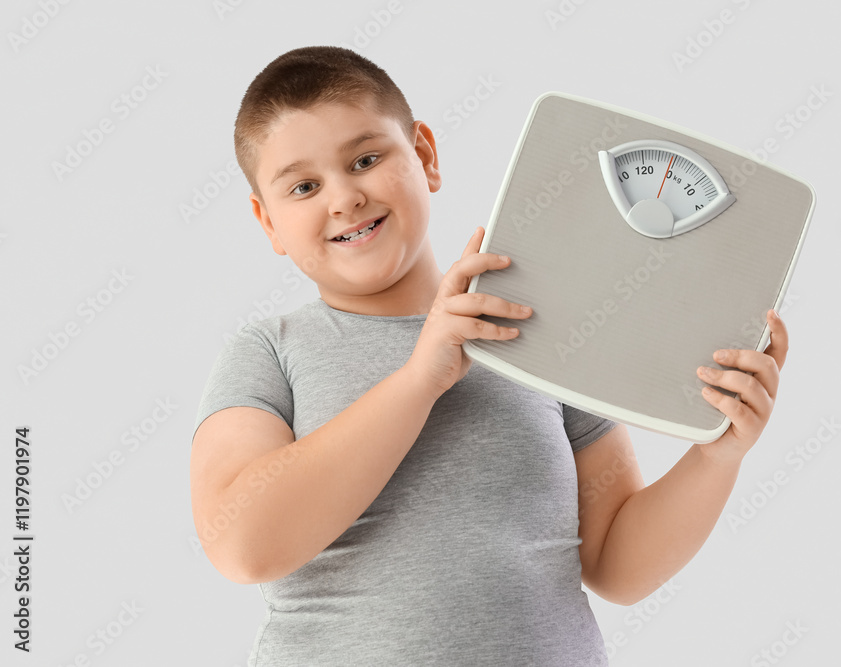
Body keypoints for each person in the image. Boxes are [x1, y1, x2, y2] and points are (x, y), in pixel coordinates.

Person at [189, 45, 789, 666]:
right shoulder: (268, 352)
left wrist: (718, 454)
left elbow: (616, 563)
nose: (342, 199)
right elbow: (242, 545)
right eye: (305, 186)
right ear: (268, 223)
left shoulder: (541, 329)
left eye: (366, 159)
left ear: (424, 156)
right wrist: (421, 378)